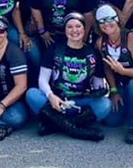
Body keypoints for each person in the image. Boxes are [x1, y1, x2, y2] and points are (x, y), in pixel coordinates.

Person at [26, 13, 109, 142]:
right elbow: (42, 80)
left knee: (105, 104)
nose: (74, 30)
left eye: (78, 26)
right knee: (32, 94)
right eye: (69, 27)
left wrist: (99, 91)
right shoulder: (54, 49)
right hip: (56, 101)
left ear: (84, 29)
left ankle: (56, 125)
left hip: (80, 102)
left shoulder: (92, 53)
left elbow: (98, 84)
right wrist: (51, 96)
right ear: (65, 30)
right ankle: (76, 129)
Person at [94, 5, 133, 145]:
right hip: (123, 86)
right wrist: (113, 91)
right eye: (101, 21)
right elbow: (107, 68)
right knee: (111, 121)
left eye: (109, 19)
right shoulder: (100, 43)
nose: (106, 24)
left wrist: (123, 71)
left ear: (117, 19)